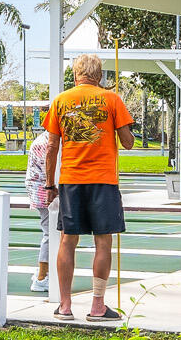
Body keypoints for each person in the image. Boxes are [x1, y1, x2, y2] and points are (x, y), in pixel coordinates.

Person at [43, 52, 136, 322]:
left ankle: (64, 305)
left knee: (67, 240)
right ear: (100, 75)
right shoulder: (112, 99)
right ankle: (97, 305)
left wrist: (50, 183)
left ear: (76, 74)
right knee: (103, 241)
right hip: (104, 180)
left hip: (71, 179)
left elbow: (51, 147)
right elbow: (128, 143)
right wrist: (123, 126)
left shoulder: (61, 100)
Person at [24, 123, 55, 293]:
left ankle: (44, 272)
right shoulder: (47, 143)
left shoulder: (44, 139)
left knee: (50, 232)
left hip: (40, 190)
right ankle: (42, 276)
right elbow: (50, 170)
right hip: (44, 191)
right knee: (50, 233)